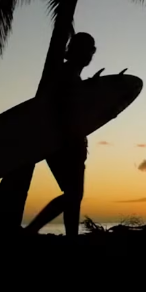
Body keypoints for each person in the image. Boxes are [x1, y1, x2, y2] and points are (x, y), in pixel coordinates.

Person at [24, 32, 96, 237]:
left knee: (73, 195)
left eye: (91, 50)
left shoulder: (71, 75)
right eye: (87, 49)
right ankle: (31, 230)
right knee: (73, 194)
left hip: (68, 142)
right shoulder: (66, 74)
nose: (90, 54)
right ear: (76, 51)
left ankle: (70, 236)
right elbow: (63, 107)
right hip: (62, 142)